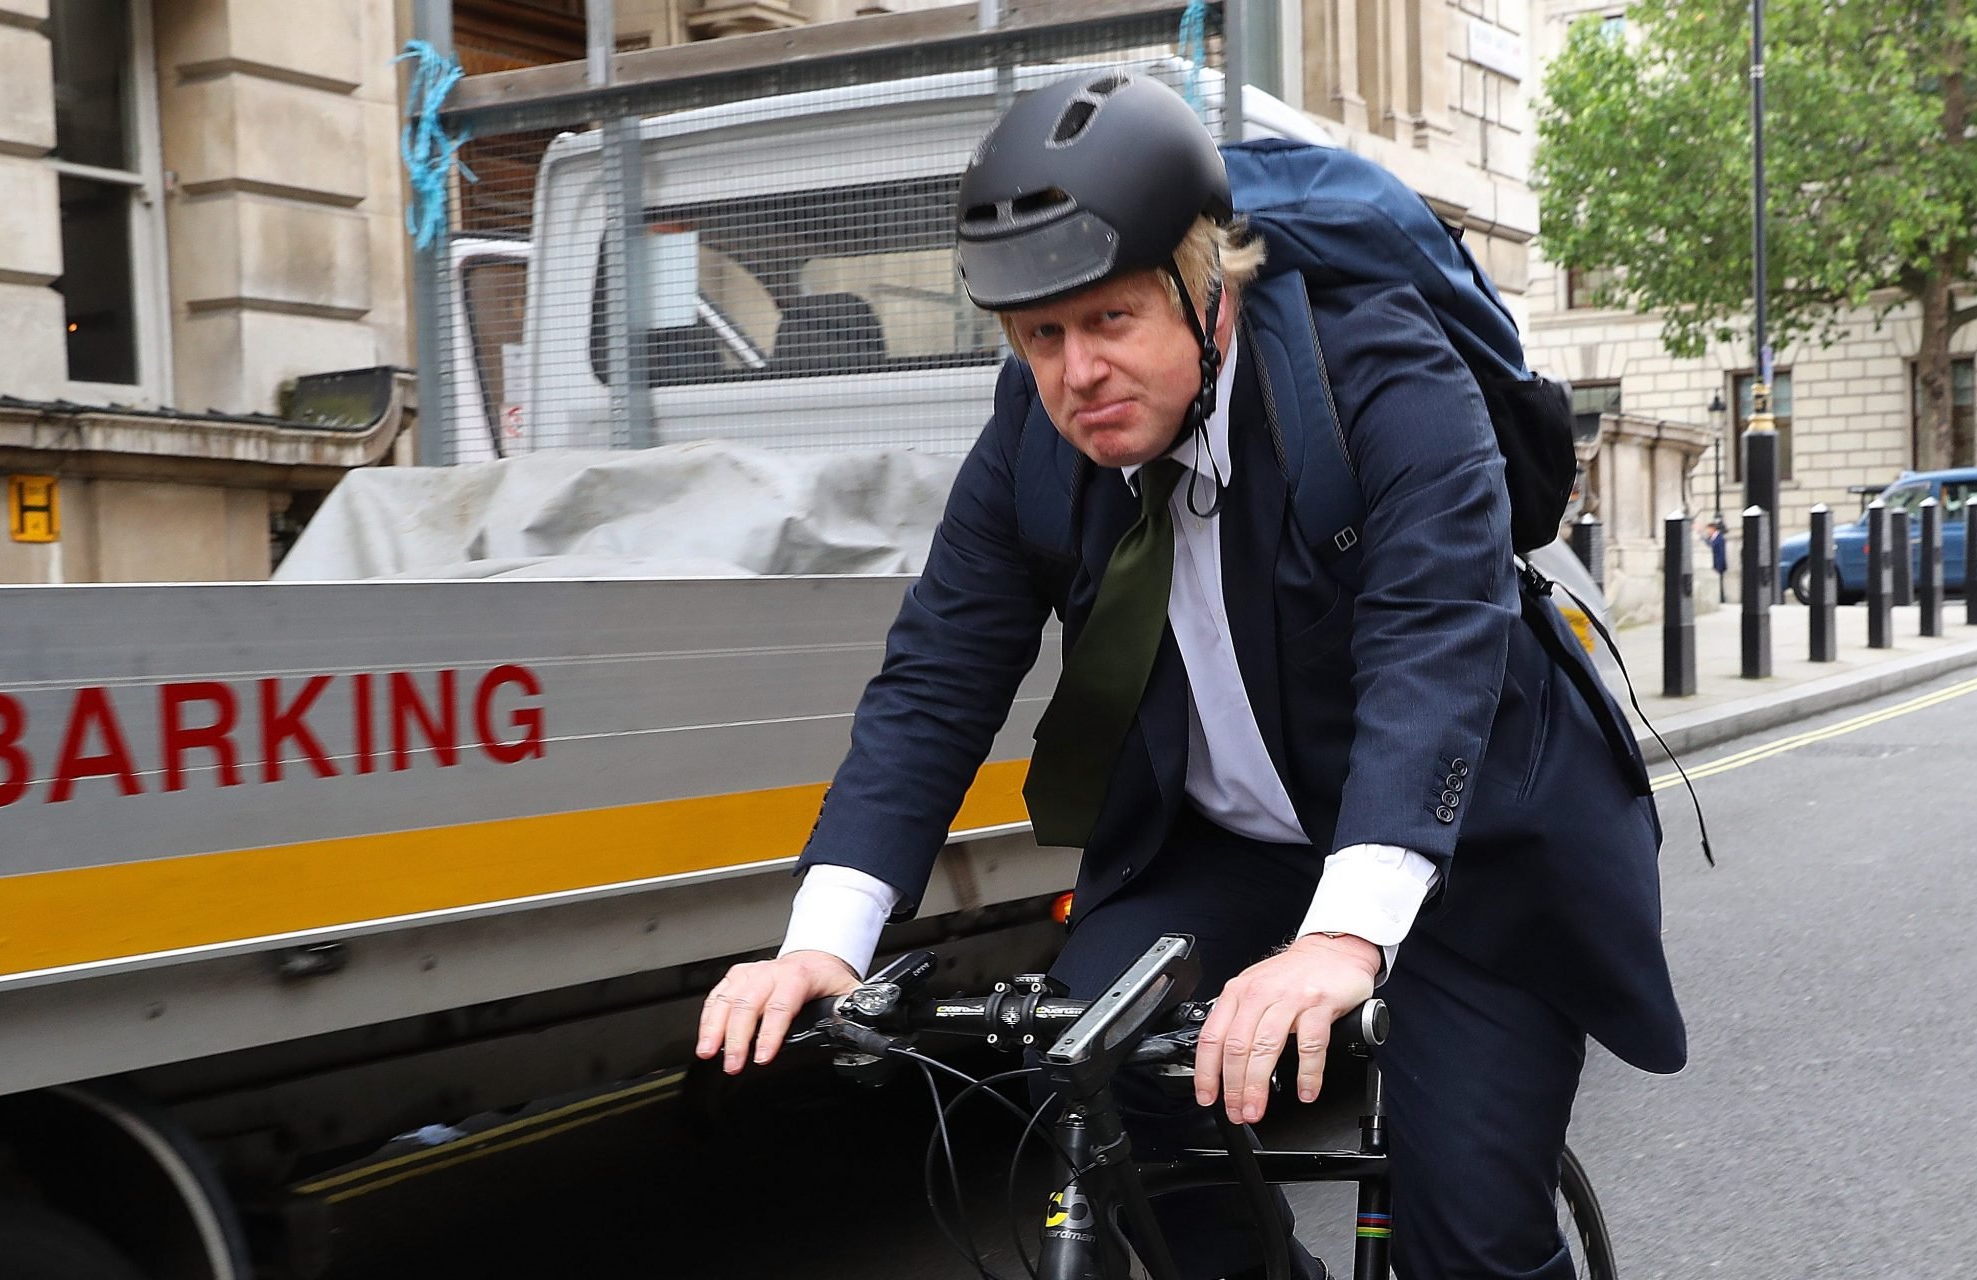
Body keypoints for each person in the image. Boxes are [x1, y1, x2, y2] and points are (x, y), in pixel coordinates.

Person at [693, 74, 1683, 1280]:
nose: (1075, 374)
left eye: (1108, 320)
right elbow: (938, 674)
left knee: (1468, 1237)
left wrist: (1344, 938)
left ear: (1206, 287)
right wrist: (823, 942)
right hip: (1229, 844)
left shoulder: (1380, 374)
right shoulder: (1033, 434)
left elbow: (1433, 647)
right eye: (1040, 335)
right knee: (1095, 1098)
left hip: (1467, 843)